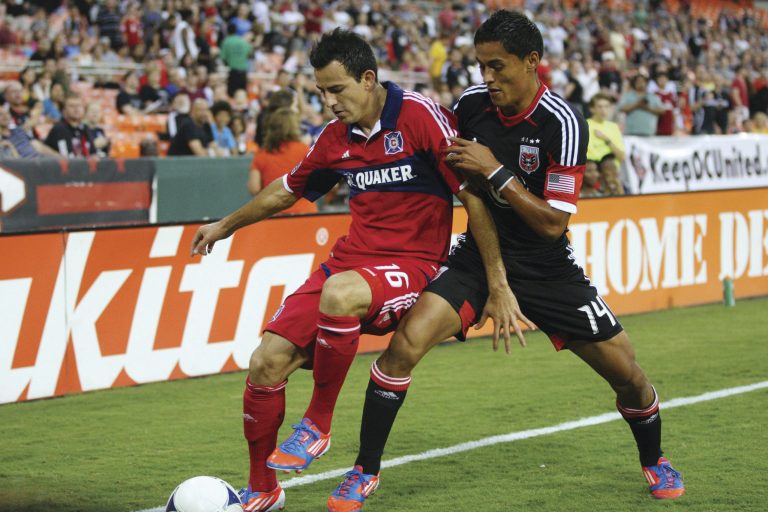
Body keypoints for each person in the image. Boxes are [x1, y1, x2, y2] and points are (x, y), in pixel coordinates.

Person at [329, 11, 685, 511]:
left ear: (532, 61)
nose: (487, 78)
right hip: (480, 254)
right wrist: (495, 278)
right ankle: (364, 471)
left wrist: (497, 172)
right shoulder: (471, 107)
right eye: (481, 66)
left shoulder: (563, 123)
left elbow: (553, 223)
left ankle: (655, 460)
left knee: (627, 374)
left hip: (547, 267)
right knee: (405, 344)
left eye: (497, 66)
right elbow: (465, 191)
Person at [189, 28, 517, 512]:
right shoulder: (333, 139)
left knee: (339, 294)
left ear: (368, 79)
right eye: (321, 91)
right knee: (265, 363)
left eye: (336, 89)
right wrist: (226, 225)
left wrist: (497, 282)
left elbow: (472, 196)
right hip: (350, 263)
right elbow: (286, 190)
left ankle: (318, 423)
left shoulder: (420, 118)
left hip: (413, 265)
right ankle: (263, 489)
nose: (328, 102)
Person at [248, 106, 315, 214]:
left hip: (274, 214)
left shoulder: (262, 154)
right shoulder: (304, 149)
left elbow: (254, 188)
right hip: (305, 213)